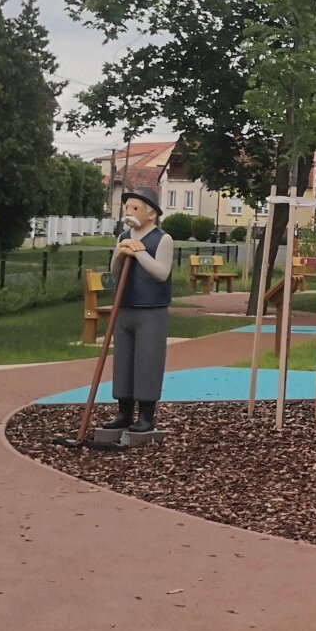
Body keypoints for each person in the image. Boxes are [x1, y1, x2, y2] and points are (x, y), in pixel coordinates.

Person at [94, 185, 176, 447]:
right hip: (125, 306)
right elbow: (115, 272)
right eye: (127, 207)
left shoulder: (162, 239)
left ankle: (146, 416)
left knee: (148, 360)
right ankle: (124, 411)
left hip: (151, 309)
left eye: (135, 208)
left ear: (151, 214)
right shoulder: (123, 237)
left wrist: (139, 253)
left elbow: (161, 273)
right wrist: (121, 253)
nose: (129, 212)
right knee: (123, 360)